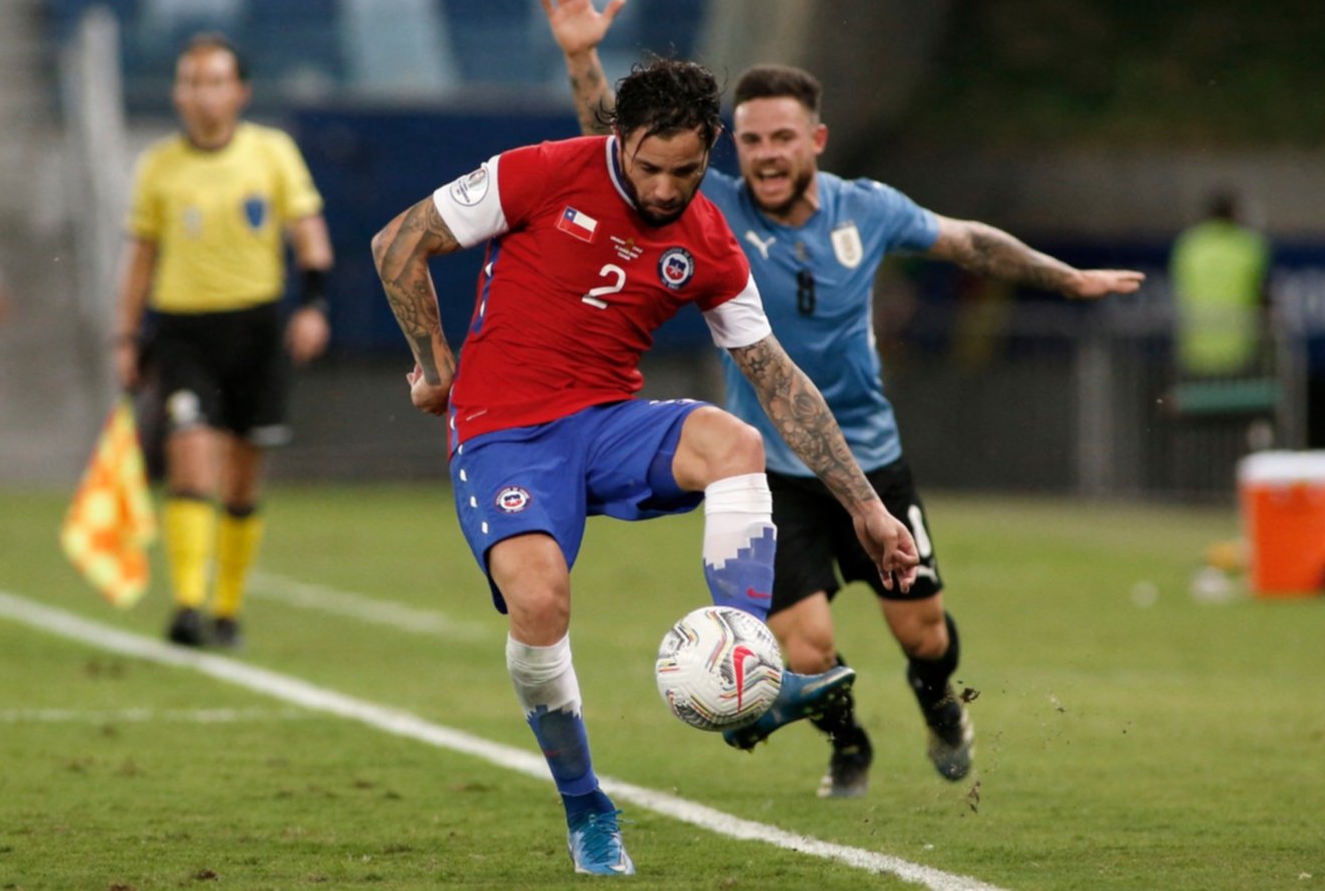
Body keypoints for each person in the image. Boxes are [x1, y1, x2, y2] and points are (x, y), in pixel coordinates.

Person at [541, 0, 1145, 799]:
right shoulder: (707, 205)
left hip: (870, 459)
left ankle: (940, 708)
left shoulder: (868, 208)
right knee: (810, 646)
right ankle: (849, 744)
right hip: (773, 477)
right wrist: (582, 59)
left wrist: (1068, 279)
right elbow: (616, 148)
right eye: (749, 140)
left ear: (815, 140)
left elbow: (968, 240)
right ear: (731, 146)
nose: (765, 155)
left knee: (925, 634)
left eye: (781, 138)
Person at [370, 56, 919, 876]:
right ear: (619, 139)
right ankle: (588, 806)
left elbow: (776, 379)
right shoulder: (544, 172)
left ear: (712, 152)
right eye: (649, 167)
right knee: (540, 599)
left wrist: (868, 508)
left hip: (609, 422)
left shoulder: (709, 241)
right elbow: (398, 242)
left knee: (734, 443)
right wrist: (437, 365)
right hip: (504, 431)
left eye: (688, 171)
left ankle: (744, 675)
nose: (665, 189)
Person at [111, 33, 334, 650]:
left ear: (239, 91)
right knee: (188, 456)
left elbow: (310, 238)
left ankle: (226, 610)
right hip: (182, 332)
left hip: (256, 330)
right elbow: (140, 258)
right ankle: (186, 606)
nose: (201, 94)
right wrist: (125, 336)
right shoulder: (158, 165)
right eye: (190, 81)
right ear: (178, 92)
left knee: (241, 480)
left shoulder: (272, 153)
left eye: (213, 81)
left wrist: (313, 307)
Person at [1169, 188, 1271, 380]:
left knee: (1199, 405)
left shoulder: (1189, 244)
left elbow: (1180, 288)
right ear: (1234, 214)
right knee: (1240, 405)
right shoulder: (1248, 246)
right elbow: (1263, 293)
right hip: (1239, 349)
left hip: (1195, 349)